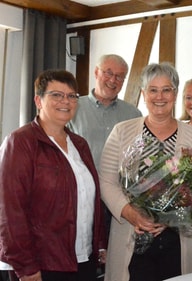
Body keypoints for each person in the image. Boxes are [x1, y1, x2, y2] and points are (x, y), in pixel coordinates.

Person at [99, 62, 192, 281]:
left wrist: (172, 216)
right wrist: (131, 213)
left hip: (179, 242)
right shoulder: (122, 132)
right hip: (131, 235)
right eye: (153, 90)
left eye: (166, 90)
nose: (159, 96)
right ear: (144, 94)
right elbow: (106, 181)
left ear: (175, 93)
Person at [0, 69, 106, 281]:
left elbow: (91, 199)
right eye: (56, 95)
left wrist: (99, 244)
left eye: (71, 96)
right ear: (38, 101)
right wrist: (27, 267)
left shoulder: (79, 144)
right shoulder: (20, 142)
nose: (65, 101)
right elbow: (9, 211)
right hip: (42, 264)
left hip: (83, 259)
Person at [68, 54, 142, 168]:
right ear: (96, 72)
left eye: (119, 76)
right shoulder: (72, 107)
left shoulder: (133, 114)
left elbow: (138, 155)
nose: (113, 80)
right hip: (81, 183)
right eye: (108, 73)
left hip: (119, 184)